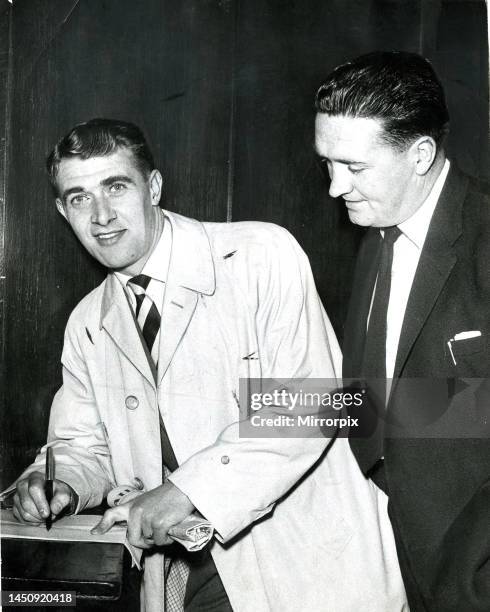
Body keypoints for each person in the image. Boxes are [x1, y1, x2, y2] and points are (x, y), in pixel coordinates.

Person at [2, 119, 407, 611]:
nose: (102, 215)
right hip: (186, 570)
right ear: (63, 212)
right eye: (80, 197)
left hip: (304, 559)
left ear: (152, 187)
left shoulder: (258, 255)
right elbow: (85, 444)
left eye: (116, 186)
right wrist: (58, 480)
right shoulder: (88, 322)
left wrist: (185, 489)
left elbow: (316, 403)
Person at [314, 51, 490, 611]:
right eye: (328, 163)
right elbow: (376, 405)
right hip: (398, 562)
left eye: (354, 167)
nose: (335, 187)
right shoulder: (377, 232)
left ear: (420, 154)